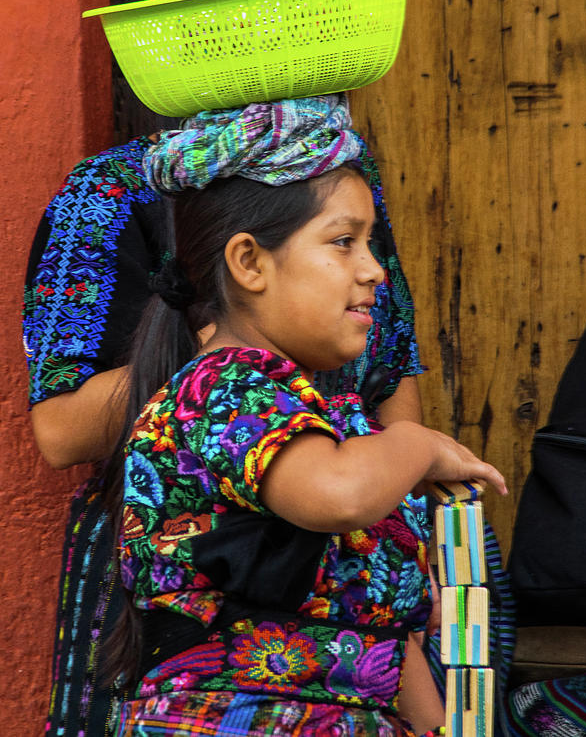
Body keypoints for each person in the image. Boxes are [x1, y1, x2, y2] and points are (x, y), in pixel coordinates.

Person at [23, 0, 426, 737]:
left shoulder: (344, 183)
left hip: (344, 592)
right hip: (179, 593)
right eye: (219, 13)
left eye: (276, 5)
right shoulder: (106, 196)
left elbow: (389, 385)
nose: (252, 36)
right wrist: (220, 349)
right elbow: (60, 430)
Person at [107, 119, 507, 736]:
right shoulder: (222, 387)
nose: (374, 270)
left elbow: (381, 642)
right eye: (344, 242)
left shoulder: (329, 422)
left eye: (370, 243)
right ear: (249, 262)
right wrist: (416, 442)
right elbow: (338, 495)